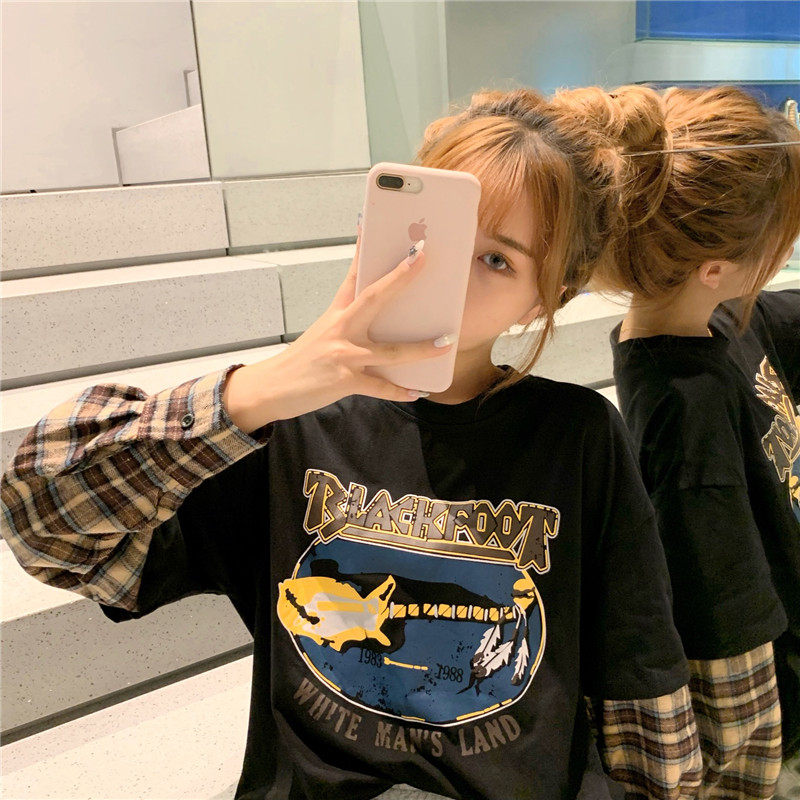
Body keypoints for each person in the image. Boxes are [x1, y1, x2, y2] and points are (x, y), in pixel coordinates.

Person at [1, 88, 702, 800]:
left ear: (545, 298)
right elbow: (46, 528)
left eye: (496, 260)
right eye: (434, 236)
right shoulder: (285, 423)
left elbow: (639, 667)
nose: (445, 275)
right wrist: (256, 393)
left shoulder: (578, 435)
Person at [583, 83, 799, 798]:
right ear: (715, 269)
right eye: (776, 245)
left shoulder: (718, 319)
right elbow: (728, 636)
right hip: (775, 709)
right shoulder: (684, 420)